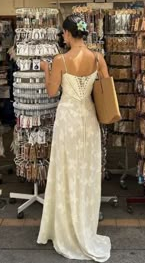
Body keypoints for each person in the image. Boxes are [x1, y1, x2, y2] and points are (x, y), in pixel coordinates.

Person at [37, 14, 111, 262]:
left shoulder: (60, 60)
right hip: (88, 119)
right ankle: (85, 226)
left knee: (66, 171)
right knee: (86, 172)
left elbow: (51, 91)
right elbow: (105, 87)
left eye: (64, 33)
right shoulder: (98, 58)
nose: (63, 36)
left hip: (67, 119)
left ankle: (66, 227)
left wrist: (46, 70)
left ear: (69, 34)